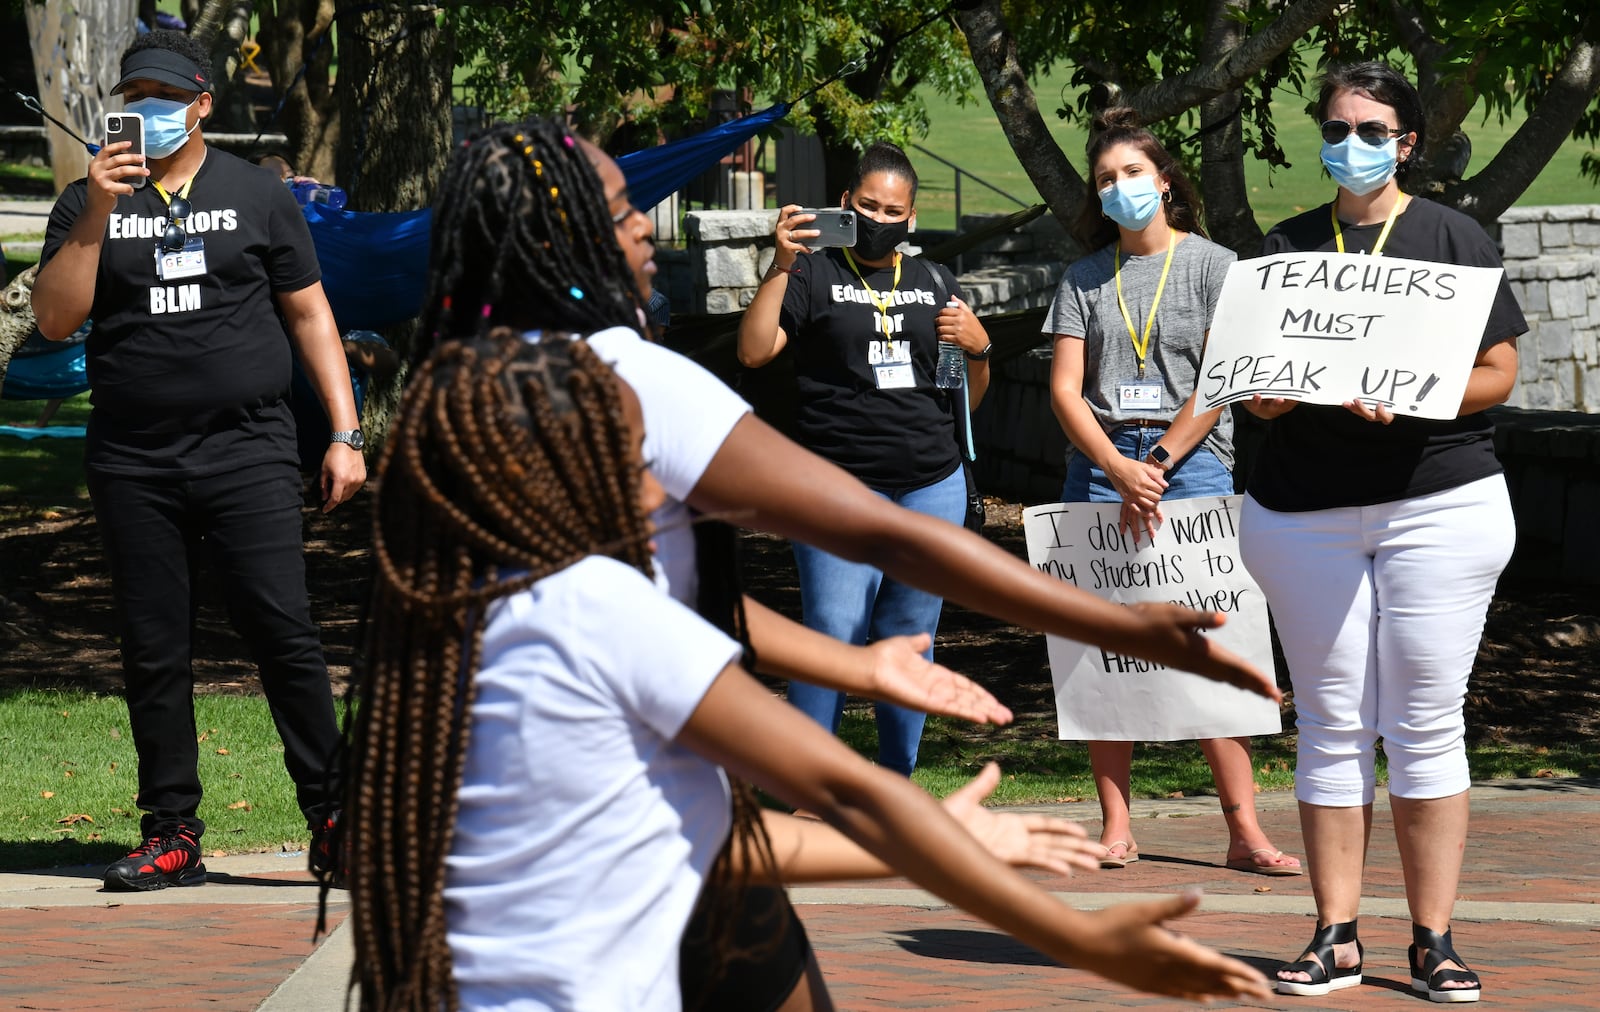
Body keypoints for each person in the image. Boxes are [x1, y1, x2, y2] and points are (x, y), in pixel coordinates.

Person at [346, 323, 1271, 1010]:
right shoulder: (602, 611)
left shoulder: (446, 627)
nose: (668, 481)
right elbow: (847, 790)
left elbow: (711, 842)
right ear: (560, 479)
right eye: (634, 457)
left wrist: (943, 831)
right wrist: (1071, 934)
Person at [30, 30, 364, 891]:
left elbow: (311, 316)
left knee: (283, 634)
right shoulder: (85, 202)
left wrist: (345, 432)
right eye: (133, 92)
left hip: (247, 449)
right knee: (154, 648)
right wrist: (101, 212)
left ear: (203, 103)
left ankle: (334, 823)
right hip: (134, 459)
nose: (148, 108)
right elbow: (58, 321)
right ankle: (172, 832)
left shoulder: (258, 195)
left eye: (164, 94)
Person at [1238, 62, 1524, 1002]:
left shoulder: (1452, 237)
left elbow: (1498, 374)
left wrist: (1412, 402)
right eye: (1335, 125)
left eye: (1370, 129)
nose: (1348, 143)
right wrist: (1269, 398)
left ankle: (1434, 938)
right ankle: (1335, 932)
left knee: (1424, 722)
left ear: (1406, 142)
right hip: (1302, 514)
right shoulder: (1282, 250)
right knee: (1328, 722)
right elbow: (1251, 383)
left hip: (1436, 503)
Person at [1044, 108, 1301, 878]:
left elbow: (1224, 383)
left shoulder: (1216, 266)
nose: (1120, 189)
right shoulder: (1083, 278)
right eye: (1105, 180)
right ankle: (1114, 825)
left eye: (1131, 173)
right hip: (1098, 463)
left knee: (1209, 641)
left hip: (1189, 463)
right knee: (1102, 641)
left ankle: (1244, 829)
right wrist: (1117, 467)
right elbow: (1064, 390)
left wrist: (1151, 462)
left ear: (1163, 181)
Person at [737, 141, 994, 775]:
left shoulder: (934, 281)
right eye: (869, 205)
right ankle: (808, 783)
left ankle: (896, 778)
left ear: (911, 217)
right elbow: (754, 350)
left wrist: (980, 349)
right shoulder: (812, 272)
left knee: (911, 640)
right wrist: (779, 264)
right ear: (847, 203)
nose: (881, 219)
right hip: (838, 488)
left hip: (931, 485)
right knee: (831, 634)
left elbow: (963, 398)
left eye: (894, 210)